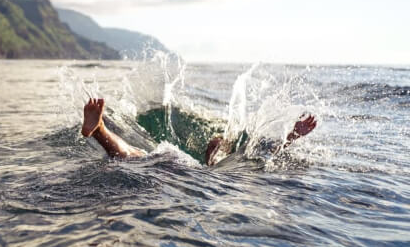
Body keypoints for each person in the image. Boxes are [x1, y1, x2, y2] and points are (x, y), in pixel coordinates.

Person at [81, 98, 317, 165]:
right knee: (135, 156)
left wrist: (292, 136)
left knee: (135, 156)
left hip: (174, 165)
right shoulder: (225, 167)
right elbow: (266, 152)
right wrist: (292, 136)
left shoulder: (232, 161)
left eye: (216, 146)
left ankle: (100, 129)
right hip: (181, 169)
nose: (214, 145)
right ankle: (99, 129)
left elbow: (264, 151)